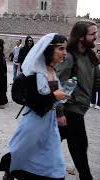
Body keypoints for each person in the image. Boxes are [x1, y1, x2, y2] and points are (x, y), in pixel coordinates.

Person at [0, 33, 69, 180]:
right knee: (21, 152)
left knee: (55, 162)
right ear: (49, 50)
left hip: (49, 124)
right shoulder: (35, 73)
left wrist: (61, 101)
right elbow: (33, 100)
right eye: (61, 48)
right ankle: (10, 172)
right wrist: (55, 96)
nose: (65, 53)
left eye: (65, 49)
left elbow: (53, 96)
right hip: (34, 123)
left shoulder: (52, 71)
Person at [55, 20, 100, 180]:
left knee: (40, 148)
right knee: (80, 151)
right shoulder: (69, 57)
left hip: (78, 112)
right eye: (93, 33)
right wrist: (60, 113)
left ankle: (11, 168)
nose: (96, 36)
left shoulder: (91, 56)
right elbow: (57, 85)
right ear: (81, 37)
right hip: (68, 112)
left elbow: (97, 83)